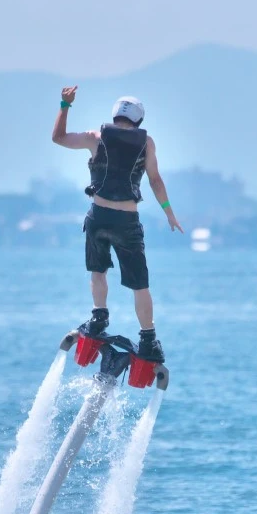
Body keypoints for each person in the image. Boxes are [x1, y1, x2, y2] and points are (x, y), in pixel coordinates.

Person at [52, 85, 182, 363]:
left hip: (98, 216)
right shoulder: (147, 144)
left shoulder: (96, 138)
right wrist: (169, 212)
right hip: (127, 220)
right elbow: (155, 180)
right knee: (140, 285)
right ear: (139, 120)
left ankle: (99, 319)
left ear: (115, 115)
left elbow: (59, 138)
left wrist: (65, 105)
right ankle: (148, 339)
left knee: (98, 272)